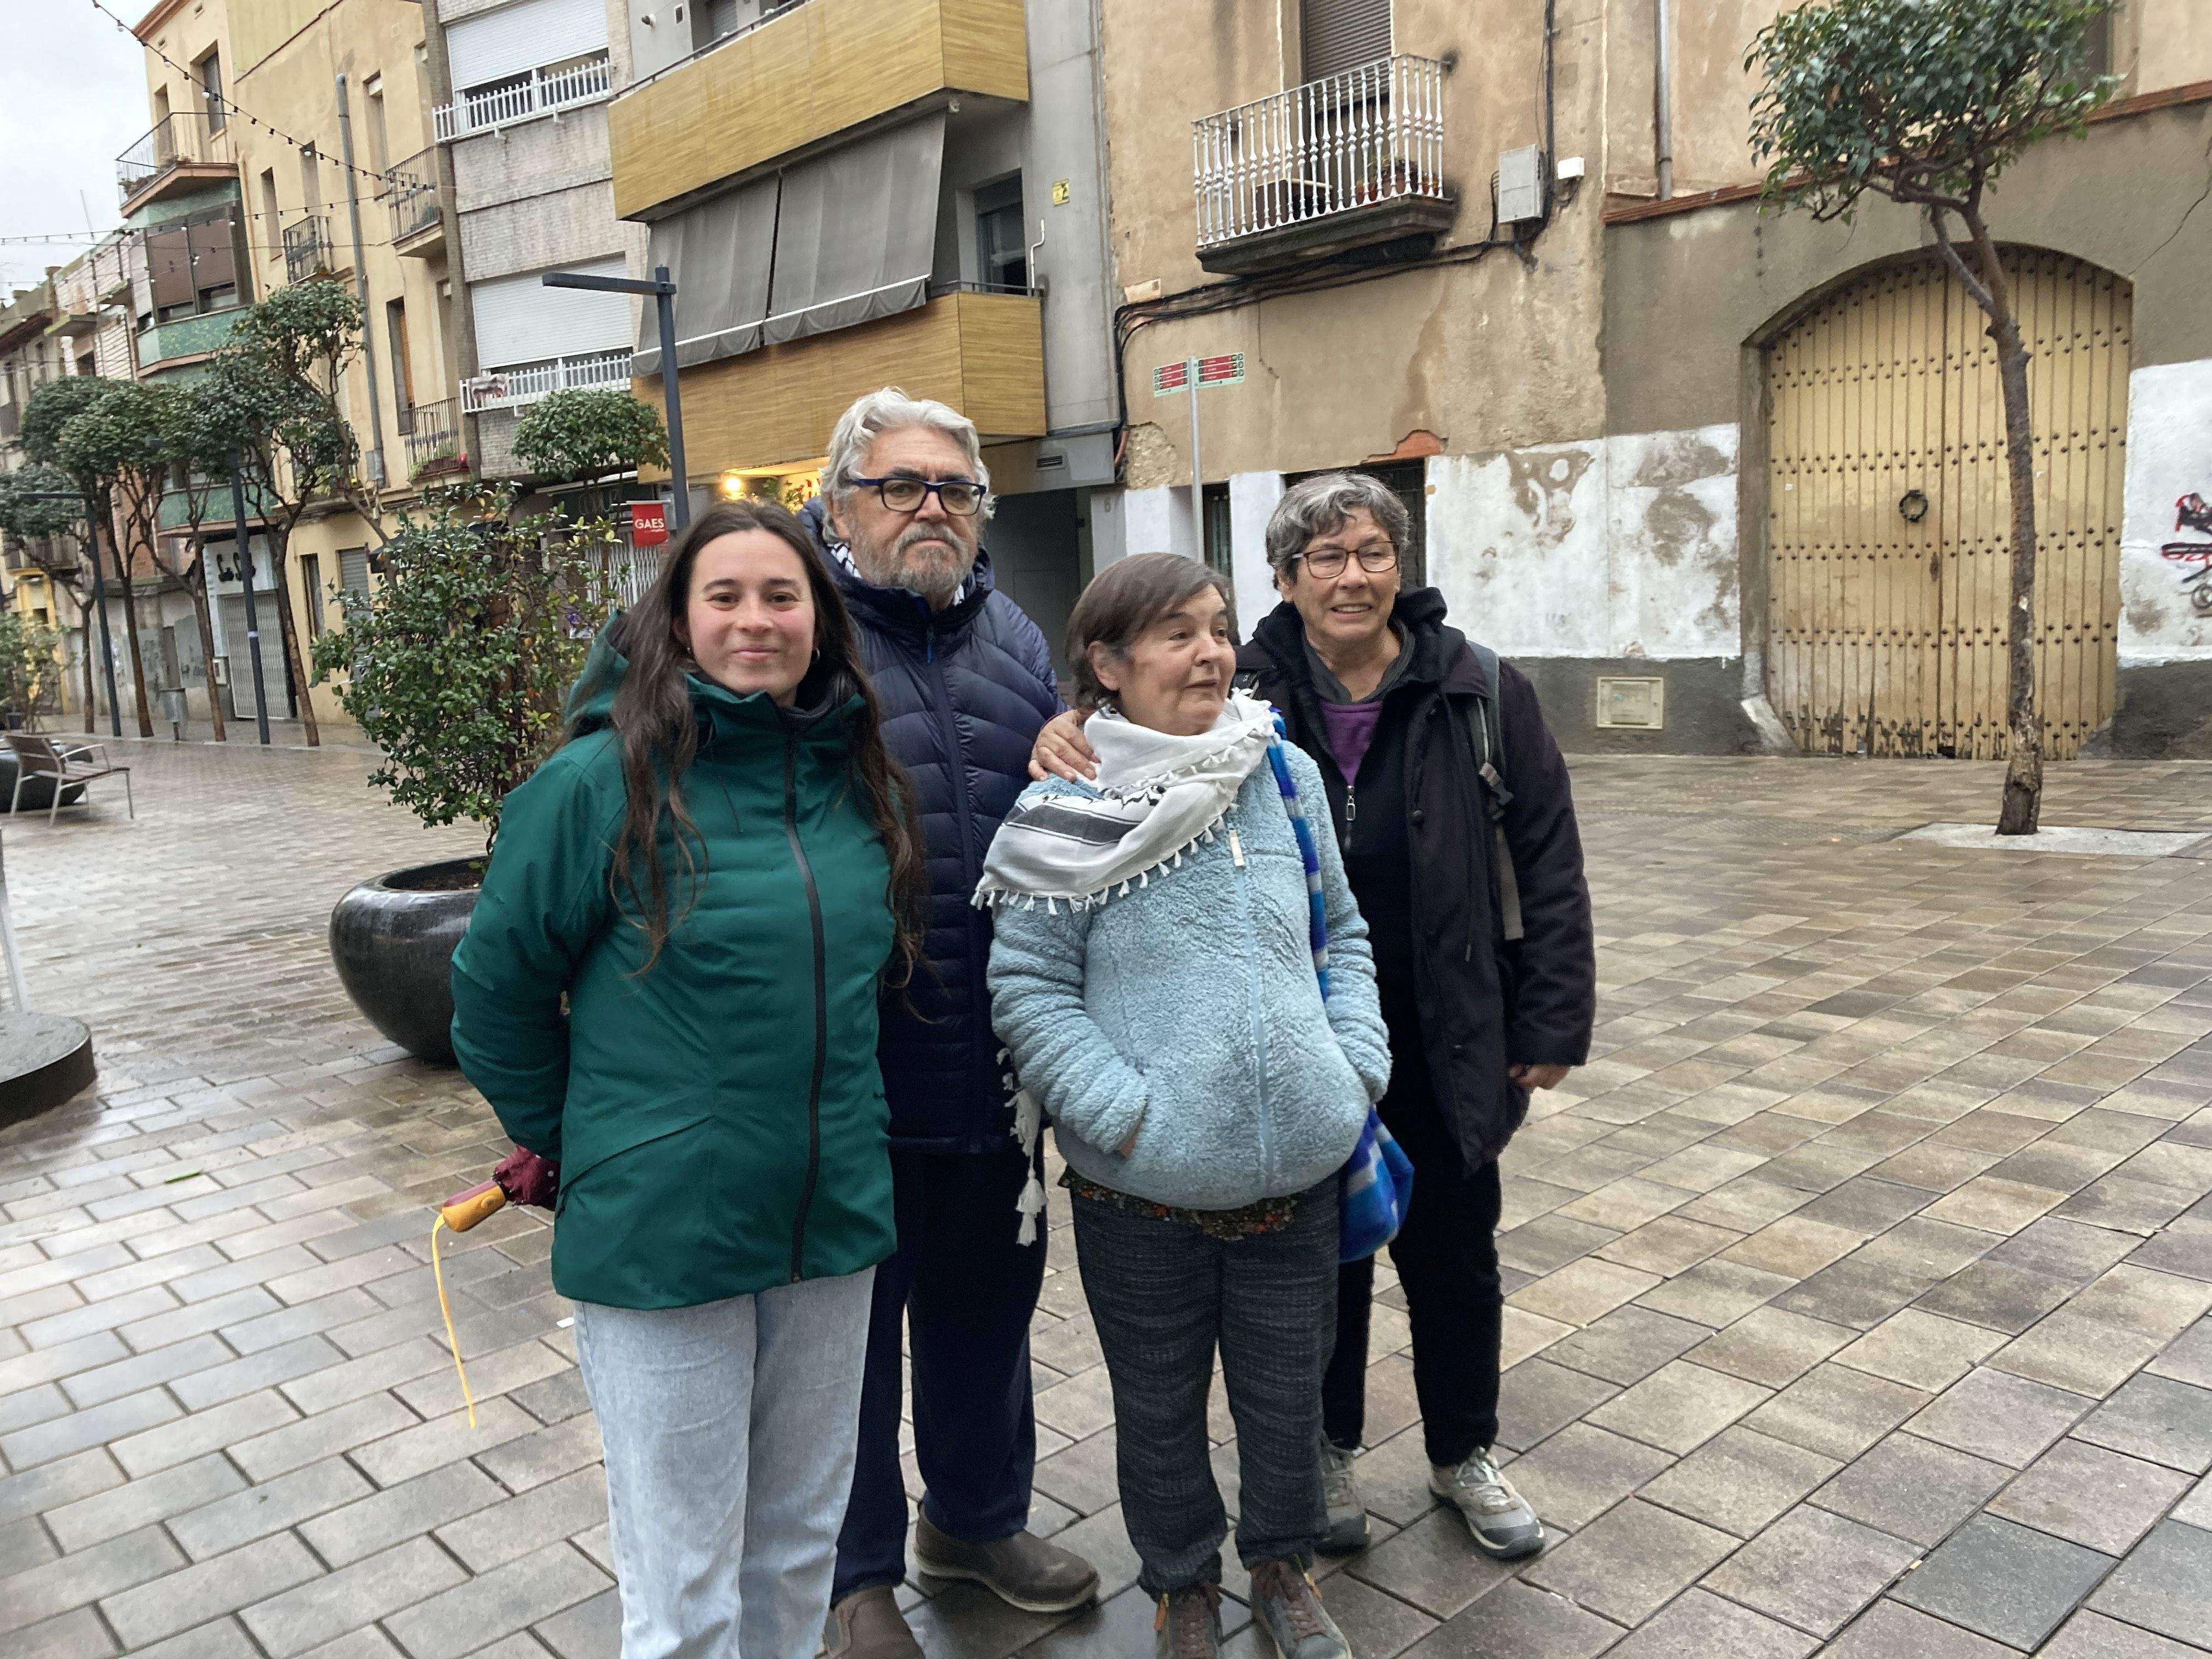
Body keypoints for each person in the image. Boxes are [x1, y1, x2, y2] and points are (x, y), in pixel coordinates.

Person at [1032, 474, 1595, 1562]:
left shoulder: (1477, 689)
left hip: (1447, 1030)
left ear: (1402, 567)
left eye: (1372, 553)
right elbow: (1125, 730)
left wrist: (1552, 1019)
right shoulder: (1238, 688)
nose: (1351, 576)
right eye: (1323, 558)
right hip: (1288, 1036)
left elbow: (1550, 861)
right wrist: (1069, 728)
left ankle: (1462, 1450)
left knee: (1452, 1252)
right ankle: (1326, 1447)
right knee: (1318, 1265)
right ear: (1284, 580)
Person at [449, 499, 928, 1659]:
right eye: (725, 596)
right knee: (684, 1583)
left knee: (797, 1549)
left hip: (833, 1219)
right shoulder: (594, 787)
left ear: (821, 618)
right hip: (663, 1234)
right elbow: (495, 993)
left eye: (782, 595)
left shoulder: (857, 778)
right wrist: (590, 1147)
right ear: (676, 619)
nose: (755, 620)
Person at [986, 553, 1392, 1659]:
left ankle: (1280, 1568)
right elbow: (1028, 987)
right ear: (1109, 666)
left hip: (1296, 1175)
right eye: (1176, 634)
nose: (1210, 653)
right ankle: (1183, 1585)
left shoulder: (1283, 774)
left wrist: (1349, 1066)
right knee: (1159, 1412)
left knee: (1284, 1402)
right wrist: (1121, 1113)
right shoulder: (1065, 804)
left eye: (1216, 628)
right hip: (1141, 1193)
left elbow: (1343, 936)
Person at [799, 389, 1098, 1659]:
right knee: (849, 1350)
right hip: (851, 1081)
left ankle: (974, 1523)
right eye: (900, 486)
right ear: (838, 508)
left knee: (985, 1320)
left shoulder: (1016, 638)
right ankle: (852, 1573)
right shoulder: (795, 639)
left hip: (991, 1073)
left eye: (955, 490)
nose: (932, 508)